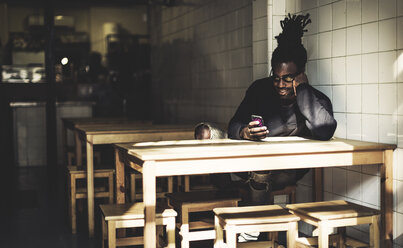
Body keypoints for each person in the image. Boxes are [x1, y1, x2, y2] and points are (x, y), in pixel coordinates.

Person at [227, 13, 337, 205]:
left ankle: (254, 226)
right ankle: (233, 209)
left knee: (261, 171)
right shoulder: (259, 89)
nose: (280, 84)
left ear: (301, 75)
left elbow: (325, 130)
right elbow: (233, 125)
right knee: (205, 133)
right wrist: (245, 132)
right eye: (276, 77)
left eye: (288, 78)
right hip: (251, 161)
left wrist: (302, 90)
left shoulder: (315, 99)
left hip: (286, 169)